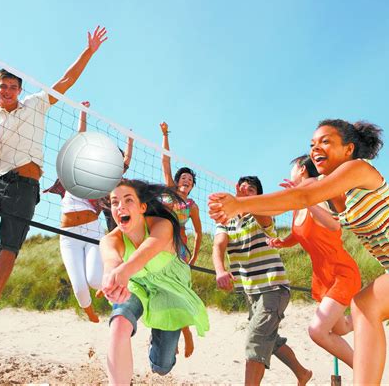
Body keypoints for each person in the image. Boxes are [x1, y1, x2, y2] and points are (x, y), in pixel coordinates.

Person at [0, 26, 108, 342]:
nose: (8, 90)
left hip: (25, 185)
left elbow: (65, 81)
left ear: (20, 89)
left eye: (13, 86)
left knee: (9, 249)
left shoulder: (36, 104)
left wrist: (89, 53)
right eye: (3, 86)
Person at [209, 119, 389, 384]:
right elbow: (284, 204)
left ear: (348, 149)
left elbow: (302, 199)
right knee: (363, 308)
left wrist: (239, 204)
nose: (315, 148)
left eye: (325, 141)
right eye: (312, 144)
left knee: (364, 305)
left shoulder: (358, 169)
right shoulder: (318, 185)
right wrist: (239, 206)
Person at [99, 179, 209, 385]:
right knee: (119, 323)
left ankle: (159, 345)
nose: (120, 206)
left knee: (161, 366)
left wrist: (122, 271)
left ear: (142, 207)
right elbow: (111, 261)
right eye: (115, 202)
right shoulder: (110, 240)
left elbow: (145, 253)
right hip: (137, 284)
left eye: (128, 199)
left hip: (170, 289)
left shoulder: (162, 226)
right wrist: (110, 278)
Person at [213, 175, 312, 386]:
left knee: (255, 340)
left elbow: (261, 213)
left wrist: (242, 201)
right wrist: (220, 270)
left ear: (258, 195)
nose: (245, 191)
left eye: (251, 190)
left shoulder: (263, 214)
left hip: (273, 287)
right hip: (251, 291)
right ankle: (303, 373)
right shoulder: (227, 221)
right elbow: (218, 246)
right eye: (242, 188)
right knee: (270, 340)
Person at [268, 154, 360, 367]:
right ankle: (373, 310)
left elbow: (334, 226)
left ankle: (364, 374)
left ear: (301, 169)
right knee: (342, 328)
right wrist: (281, 242)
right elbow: (301, 233)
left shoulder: (317, 193)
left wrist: (306, 200)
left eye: (292, 167)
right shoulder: (299, 202)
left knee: (317, 331)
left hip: (341, 272)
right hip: (322, 276)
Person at [43, 101, 105, 323]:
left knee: (96, 280)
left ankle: (108, 285)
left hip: (93, 231)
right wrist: (83, 111)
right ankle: (89, 312)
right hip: (69, 235)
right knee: (80, 287)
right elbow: (80, 137)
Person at [160, 120, 203, 357]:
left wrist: (194, 256)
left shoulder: (192, 205)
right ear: (177, 181)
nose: (187, 180)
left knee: (177, 292)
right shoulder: (168, 191)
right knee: (160, 291)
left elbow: (199, 232)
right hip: (159, 247)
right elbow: (165, 160)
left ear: (193, 186)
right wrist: (166, 134)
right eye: (183, 177)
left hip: (180, 252)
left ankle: (184, 332)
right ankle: (169, 336)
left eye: (190, 179)